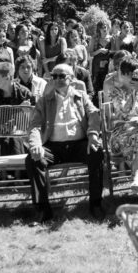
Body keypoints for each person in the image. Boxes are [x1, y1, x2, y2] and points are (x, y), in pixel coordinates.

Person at [25, 64, 104, 223]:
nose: (57, 79)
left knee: (96, 151)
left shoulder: (81, 96)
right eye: (54, 76)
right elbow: (34, 125)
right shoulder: (44, 100)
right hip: (54, 147)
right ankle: (43, 209)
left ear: (72, 78)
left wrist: (93, 135)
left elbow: (94, 114)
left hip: (79, 145)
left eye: (62, 76)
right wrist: (36, 145)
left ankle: (95, 204)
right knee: (33, 160)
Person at [104, 57, 138, 204]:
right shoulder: (115, 91)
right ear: (120, 74)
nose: (130, 77)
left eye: (132, 73)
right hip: (121, 133)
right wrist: (134, 93)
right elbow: (124, 113)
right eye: (126, 74)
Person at [88, 19, 112, 95]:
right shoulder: (94, 39)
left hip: (108, 65)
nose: (104, 29)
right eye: (102, 28)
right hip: (97, 65)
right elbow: (91, 54)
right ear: (99, 29)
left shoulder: (111, 39)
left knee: (107, 83)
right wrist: (99, 50)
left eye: (105, 27)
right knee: (96, 85)